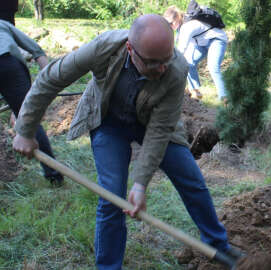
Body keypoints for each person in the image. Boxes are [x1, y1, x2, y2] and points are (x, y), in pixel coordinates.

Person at [13, 14, 240, 269]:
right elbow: (51, 78)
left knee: (191, 179)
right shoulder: (104, 47)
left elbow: (160, 129)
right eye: (154, 63)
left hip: (154, 123)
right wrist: (25, 129)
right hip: (109, 122)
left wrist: (141, 183)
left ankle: (219, 246)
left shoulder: (177, 69)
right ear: (131, 49)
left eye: (166, 60)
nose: (162, 68)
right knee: (111, 195)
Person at [0, 19, 63, 185]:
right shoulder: (2, 24)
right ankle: (54, 176)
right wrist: (48, 81)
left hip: (6, 65)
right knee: (30, 121)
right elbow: (36, 50)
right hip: (8, 65)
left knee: (25, 118)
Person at [163, 5, 228, 102]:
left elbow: (181, 50)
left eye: (171, 23)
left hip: (216, 39)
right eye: (167, 24)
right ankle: (195, 91)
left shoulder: (186, 27)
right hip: (202, 43)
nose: (170, 26)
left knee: (213, 66)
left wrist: (167, 65)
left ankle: (225, 98)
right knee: (188, 63)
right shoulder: (180, 28)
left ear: (177, 18)